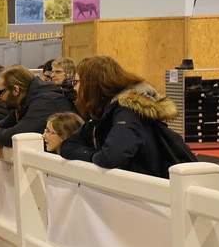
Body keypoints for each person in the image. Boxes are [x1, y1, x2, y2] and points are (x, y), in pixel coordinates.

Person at [60, 55, 195, 178]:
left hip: (156, 192)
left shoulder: (128, 112)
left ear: (92, 84)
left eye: (77, 82)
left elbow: (111, 157)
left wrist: (93, 155)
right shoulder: (104, 112)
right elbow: (68, 145)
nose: (75, 88)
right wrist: (95, 155)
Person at [0, 65, 74, 161]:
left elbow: (18, 135)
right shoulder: (25, 102)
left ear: (16, 90)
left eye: (0, 92)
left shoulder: (45, 101)